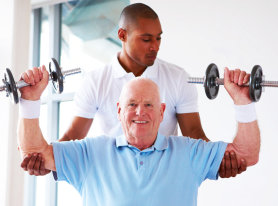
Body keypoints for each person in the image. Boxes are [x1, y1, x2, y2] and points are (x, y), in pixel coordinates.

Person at [20, 3, 246, 177]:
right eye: (146, 39)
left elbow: (195, 137)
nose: (155, 46)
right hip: (113, 178)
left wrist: (220, 162)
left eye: (158, 38)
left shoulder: (177, 78)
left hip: (163, 177)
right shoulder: (96, 80)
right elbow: (71, 138)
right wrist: (49, 163)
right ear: (122, 35)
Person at [18, 67, 260, 206]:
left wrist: (243, 101)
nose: (140, 112)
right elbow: (36, 153)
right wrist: (29, 101)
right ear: (119, 110)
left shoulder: (188, 152)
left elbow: (246, 155)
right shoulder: (90, 153)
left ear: (163, 111)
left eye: (149, 104)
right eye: (132, 104)